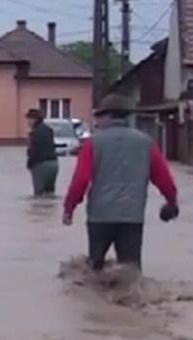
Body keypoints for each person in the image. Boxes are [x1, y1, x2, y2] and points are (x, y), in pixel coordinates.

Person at [63, 94, 179, 271]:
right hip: (132, 217)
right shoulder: (146, 143)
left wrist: (69, 208)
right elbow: (164, 179)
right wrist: (171, 201)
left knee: (94, 271)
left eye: (99, 117)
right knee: (130, 272)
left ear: (108, 117)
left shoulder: (93, 143)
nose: (96, 122)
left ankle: (93, 299)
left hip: (99, 217)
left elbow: (80, 180)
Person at [25, 108, 59, 197]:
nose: (27, 121)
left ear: (34, 119)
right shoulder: (49, 130)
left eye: (28, 119)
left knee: (39, 195)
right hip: (54, 164)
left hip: (40, 165)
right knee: (50, 193)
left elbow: (34, 151)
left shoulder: (34, 132)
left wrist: (29, 163)